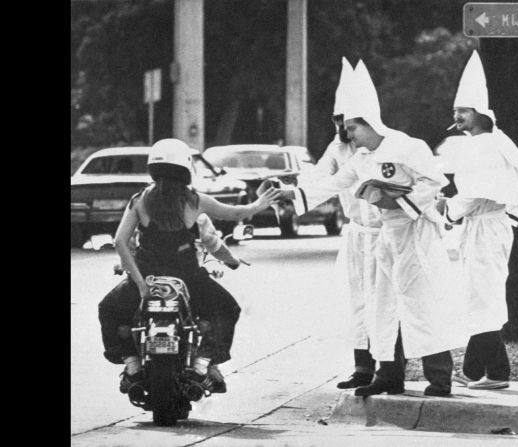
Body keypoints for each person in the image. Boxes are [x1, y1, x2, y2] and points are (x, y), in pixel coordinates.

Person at [275, 61, 465, 397]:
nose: (348, 134)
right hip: (385, 240)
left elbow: (434, 181)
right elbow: (333, 182)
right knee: (381, 307)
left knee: (420, 303)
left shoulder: (408, 146)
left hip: (414, 234)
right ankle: (388, 374)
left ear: (370, 123)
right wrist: (292, 194)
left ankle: (440, 378)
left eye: (352, 127)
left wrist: (400, 204)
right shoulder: (361, 158)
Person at [98, 138, 281, 398]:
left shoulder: (139, 200)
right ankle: (201, 366)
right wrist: (260, 204)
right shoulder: (195, 200)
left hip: (148, 278)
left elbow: (120, 241)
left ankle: (132, 366)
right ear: (186, 167)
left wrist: (140, 284)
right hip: (188, 278)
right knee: (227, 309)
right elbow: (235, 213)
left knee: (108, 309)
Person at [441, 50, 518, 391]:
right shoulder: (489, 142)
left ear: (479, 113)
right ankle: (497, 372)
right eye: (456, 111)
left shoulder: (486, 145)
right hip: (484, 226)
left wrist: (448, 209)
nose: (457, 116)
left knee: (485, 297)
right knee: (482, 295)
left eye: (463, 111)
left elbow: (476, 193)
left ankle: (473, 368)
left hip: (487, 226)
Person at [304, 57, 381, 389]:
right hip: (357, 234)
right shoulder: (337, 149)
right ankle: (362, 367)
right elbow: (317, 181)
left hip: (384, 232)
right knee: (358, 302)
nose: (342, 127)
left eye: (347, 121)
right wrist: (290, 194)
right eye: (338, 120)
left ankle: (390, 367)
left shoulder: (382, 144)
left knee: (387, 301)